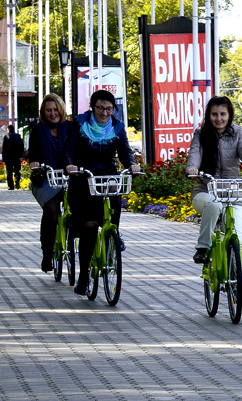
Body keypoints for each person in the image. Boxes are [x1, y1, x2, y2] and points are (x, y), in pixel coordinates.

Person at [185, 96, 242, 304]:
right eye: (214, 114)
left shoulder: (237, 132)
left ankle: (239, 286)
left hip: (232, 192)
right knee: (214, 205)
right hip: (205, 189)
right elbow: (195, 153)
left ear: (229, 115)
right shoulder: (201, 134)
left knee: (237, 239)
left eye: (223, 114)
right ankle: (202, 248)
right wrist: (193, 169)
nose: (219, 119)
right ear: (208, 115)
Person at [65, 90, 140, 295]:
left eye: (109, 109)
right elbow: (69, 149)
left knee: (116, 193)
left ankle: (113, 233)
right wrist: (71, 165)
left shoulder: (117, 127)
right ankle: (83, 278)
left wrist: (132, 164)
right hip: (83, 177)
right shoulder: (80, 124)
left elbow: (125, 151)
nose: (105, 113)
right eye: (100, 108)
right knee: (89, 226)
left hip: (106, 175)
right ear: (92, 107)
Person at [28, 94, 71, 272]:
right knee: (51, 210)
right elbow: (33, 154)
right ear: (43, 112)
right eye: (48, 110)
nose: (52, 114)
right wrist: (36, 163)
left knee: (80, 209)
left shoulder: (70, 128)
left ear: (61, 110)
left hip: (68, 177)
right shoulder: (38, 130)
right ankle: (47, 254)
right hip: (46, 178)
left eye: (55, 110)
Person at [2, 125, 24, 190]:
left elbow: (4, 148)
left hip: (8, 157)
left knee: (9, 171)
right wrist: (21, 156)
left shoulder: (6, 136)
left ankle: (11, 186)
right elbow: (21, 146)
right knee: (17, 170)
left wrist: (4, 158)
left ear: (8, 129)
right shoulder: (18, 136)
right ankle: (17, 179)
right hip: (17, 157)